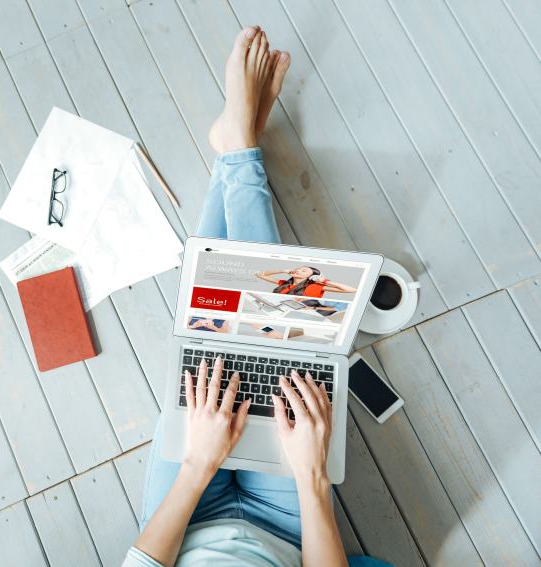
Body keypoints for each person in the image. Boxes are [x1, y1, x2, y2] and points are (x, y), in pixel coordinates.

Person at [122, 26, 387, 567]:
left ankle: (239, 147)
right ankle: (235, 146)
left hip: (186, 513)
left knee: (214, 331)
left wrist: (199, 461)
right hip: (291, 530)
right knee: (278, 341)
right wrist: (311, 476)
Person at [255, 267, 358, 298]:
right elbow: (260, 274)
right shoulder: (285, 284)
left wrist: (324, 281)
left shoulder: (316, 287)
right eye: (298, 269)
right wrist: (282, 270)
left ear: (311, 277)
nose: (298, 270)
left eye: (304, 271)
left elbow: (352, 290)